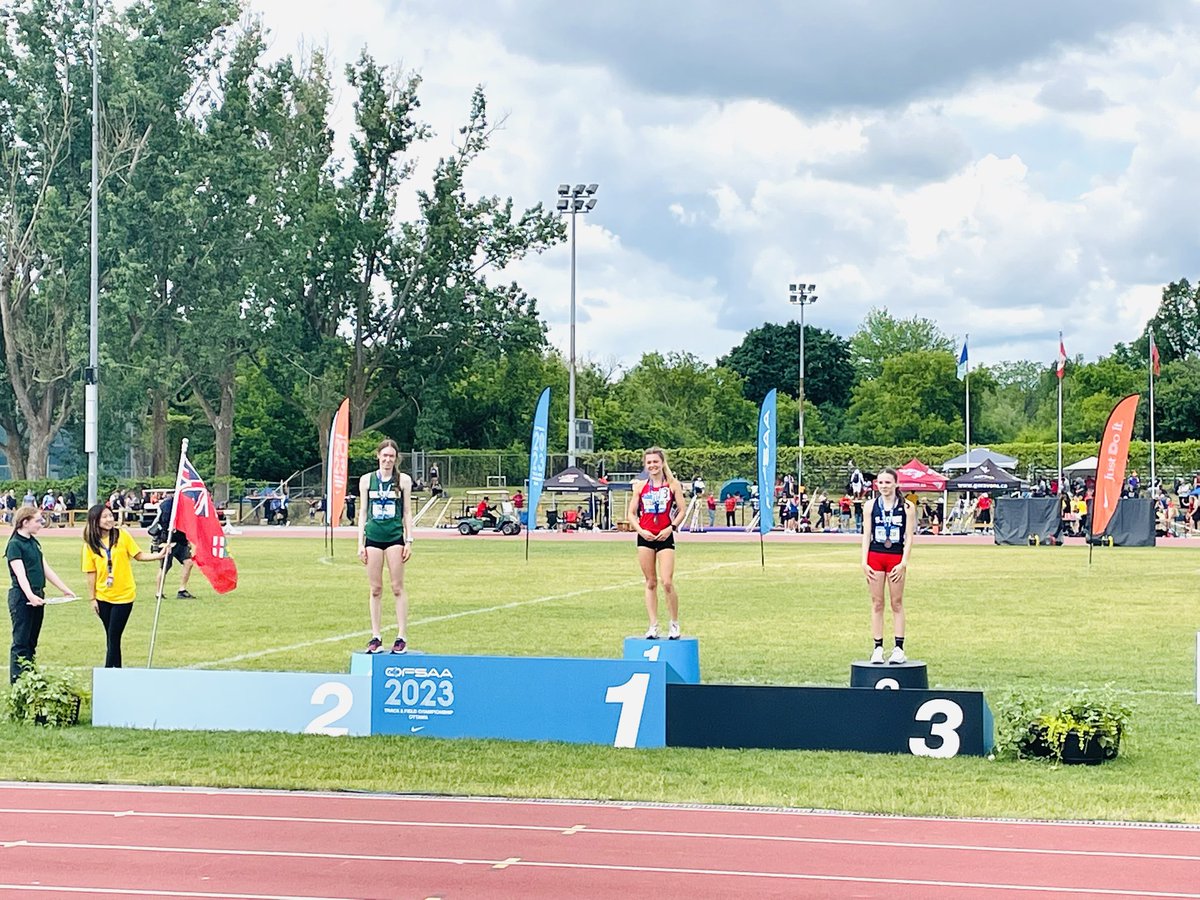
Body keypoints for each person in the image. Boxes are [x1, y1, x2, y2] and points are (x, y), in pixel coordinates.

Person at [81, 504, 171, 668]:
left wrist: (159, 555)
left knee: (114, 636)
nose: (109, 519)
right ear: (95, 521)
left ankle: (109, 672)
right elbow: (90, 573)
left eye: (110, 515)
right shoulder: (90, 544)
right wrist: (92, 598)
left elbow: (139, 555)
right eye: (105, 517)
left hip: (123, 596)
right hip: (103, 596)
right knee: (111, 637)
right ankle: (117, 672)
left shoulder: (122, 535)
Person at [357, 439, 413, 654]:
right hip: (373, 537)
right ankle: (376, 635)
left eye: (391, 456)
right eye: (385, 455)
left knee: (397, 587)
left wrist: (409, 540)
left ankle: (401, 636)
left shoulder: (403, 480)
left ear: (396, 458)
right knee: (375, 589)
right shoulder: (366, 480)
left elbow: (407, 511)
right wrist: (360, 543)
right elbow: (362, 512)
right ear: (378, 456)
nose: (388, 459)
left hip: (394, 538)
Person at [7, 506, 75, 682]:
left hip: (38, 595)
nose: (41, 524)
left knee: (31, 641)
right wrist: (30, 596)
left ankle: (30, 678)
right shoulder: (15, 544)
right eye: (37, 521)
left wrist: (64, 589)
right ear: (25, 522)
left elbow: (45, 568)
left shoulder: (34, 542)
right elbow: (20, 574)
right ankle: (18, 682)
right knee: (21, 642)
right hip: (22, 598)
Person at [628, 447, 686, 640]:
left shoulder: (672, 485)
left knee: (667, 581)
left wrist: (671, 528)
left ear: (662, 463)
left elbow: (682, 511)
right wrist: (640, 530)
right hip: (645, 536)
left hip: (665, 536)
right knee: (650, 582)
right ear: (645, 465)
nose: (652, 465)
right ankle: (653, 625)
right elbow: (631, 513)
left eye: (655, 462)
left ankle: (674, 624)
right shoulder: (639, 487)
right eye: (649, 462)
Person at [861, 467, 916, 665]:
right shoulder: (870, 506)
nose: (884, 486)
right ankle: (877, 648)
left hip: (895, 557)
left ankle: (899, 648)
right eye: (881, 482)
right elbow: (866, 535)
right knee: (877, 603)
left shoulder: (907, 507)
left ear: (896, 483)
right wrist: (863, 561)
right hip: (875, 556)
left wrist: (904, 563)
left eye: (887, 482)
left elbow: (909, 536)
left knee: (897, 603)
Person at [149, 493, 197, 599]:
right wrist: (165, 541)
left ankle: (182, 590)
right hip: (167, 540)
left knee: (188, 562)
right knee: (164, 566)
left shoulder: (186, 505)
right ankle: (158, 592)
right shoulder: (167, 505)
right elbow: (164, 522)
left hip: (180, 539)